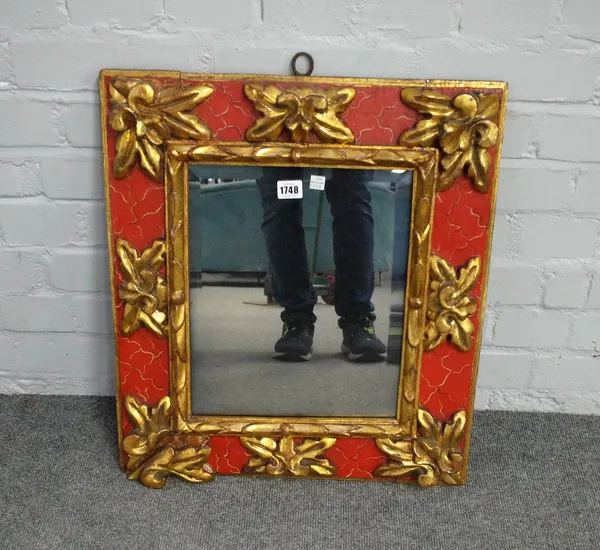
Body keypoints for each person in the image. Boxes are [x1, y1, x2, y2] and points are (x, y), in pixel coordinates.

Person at [256, 167, 386, 363]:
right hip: (278, 140)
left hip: (349, 141)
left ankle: (358, 319)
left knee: (354, 202)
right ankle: (297, 319)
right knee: (280, 205)